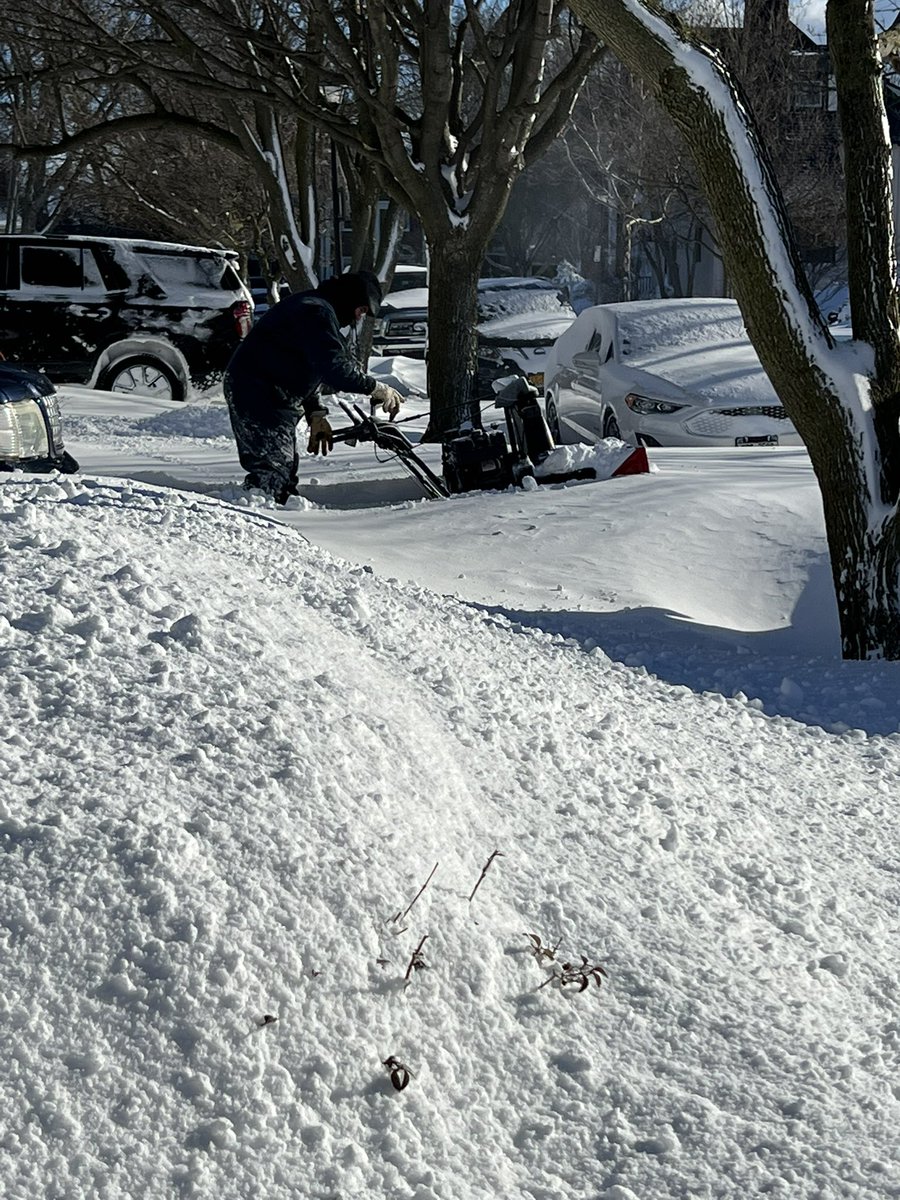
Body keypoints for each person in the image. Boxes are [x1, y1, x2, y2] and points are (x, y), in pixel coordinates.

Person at [224, 269, 405, 504]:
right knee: (272, 470)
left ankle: (276, 505)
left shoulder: (314, 308)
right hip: (258, 392)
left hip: (269, 392)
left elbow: (310, 367)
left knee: (284, 468)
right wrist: (377, 388)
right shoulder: (315, 311)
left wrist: (316, 414)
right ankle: (259, 517)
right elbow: (335, 369)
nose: (358, 318)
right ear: (350, 299)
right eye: (361, 310)